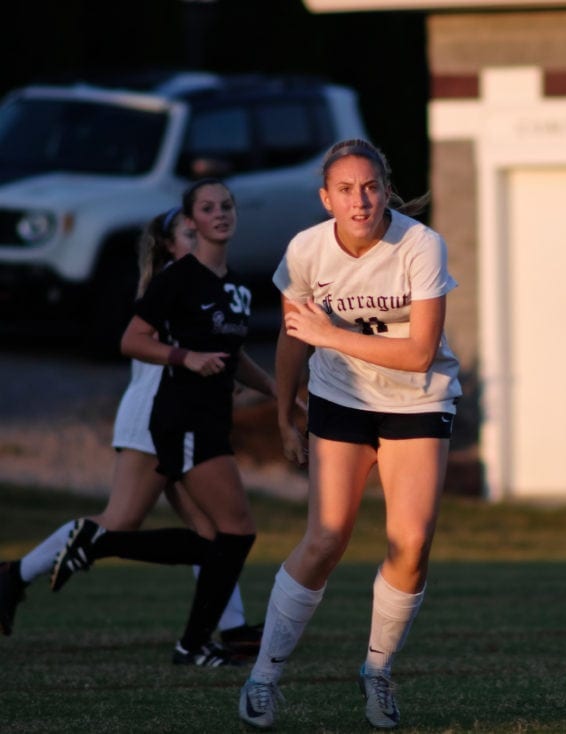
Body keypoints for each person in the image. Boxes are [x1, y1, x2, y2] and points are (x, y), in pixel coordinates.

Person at [237, 138, 461, 730]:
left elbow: (419, 354)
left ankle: (377, 671)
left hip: (416, 399)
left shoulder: (420, 244)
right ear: (325, 198)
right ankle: (263, 676)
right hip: (340, 399)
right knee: (326, 538)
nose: (359, 200)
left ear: (386, 190)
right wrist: (285, 415)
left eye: (369, 187)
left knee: (411, 542)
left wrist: (330, 335)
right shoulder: (306, 250)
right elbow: (291, 338)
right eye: (345, 189)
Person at [0, 206, 260, 655]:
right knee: (121, 522)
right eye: (188, 231)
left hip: (175, 412)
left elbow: (216, 347)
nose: (202, 234)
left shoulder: (200, 280)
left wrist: (234, 379)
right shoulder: (178, 279)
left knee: (213, 533)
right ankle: (15, 574)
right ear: (170, 246)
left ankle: (230, 629)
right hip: (155, 414)